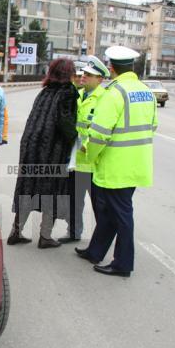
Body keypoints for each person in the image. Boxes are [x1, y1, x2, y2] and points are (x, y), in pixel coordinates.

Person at [75, 46, 157, 277]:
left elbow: (100, 133)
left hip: (115, 166)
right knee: (110, 212)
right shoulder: (146, 91)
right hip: (136, 164)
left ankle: (123, 263)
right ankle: (95, 251)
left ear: (111, 68)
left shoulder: (115, 93)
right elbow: (153, 126)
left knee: (121, 216)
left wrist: (90, 156)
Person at [7, 58, 78, 248]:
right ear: (68, 73)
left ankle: (16, 232)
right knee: (53, 191)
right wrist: (76, 136)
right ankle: (45, 236)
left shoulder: (44, 91)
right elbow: (65, 122)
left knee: (27, 188)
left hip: (31, 147)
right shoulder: (68, 92)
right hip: (52, 150)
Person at [61, 55, 109, 244]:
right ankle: (73, 232)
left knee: (100, 205)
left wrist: (87, 146)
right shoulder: (78, 95)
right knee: (74, 200)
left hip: (94, 162)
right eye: (83, 74)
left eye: (88, 75)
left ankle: (101, 239)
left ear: (100, 79)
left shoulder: (104, 99)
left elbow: (103, 130)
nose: (83, 78)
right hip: (76, 160)